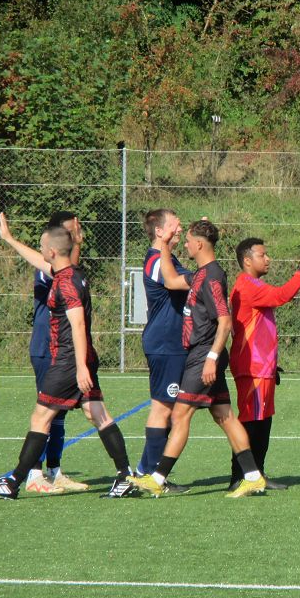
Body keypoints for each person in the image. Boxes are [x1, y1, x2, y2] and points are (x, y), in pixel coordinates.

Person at [0, 216, 137, 499]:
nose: (40, 250)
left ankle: (14, 481)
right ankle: (126, 475)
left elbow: (77, 324)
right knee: (97, 413)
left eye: (42, 246)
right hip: (77, 358)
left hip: (68, 361)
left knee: (41, 417)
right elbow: (37, 260)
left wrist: (80, 367)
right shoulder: (69, 273)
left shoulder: (66, 283)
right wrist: (9, 239)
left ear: (52, 251)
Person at [135, 219, 268, 499]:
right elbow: (170, 279)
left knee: (180, 414)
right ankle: (253, 477)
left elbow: (225, 321)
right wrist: (165, 244)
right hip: (202, 354)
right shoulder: (200, 274)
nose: (185, 245)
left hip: (204, 355)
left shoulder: (212, 277)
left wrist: (211, 358)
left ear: (198, 244)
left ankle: (157, 478)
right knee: (224, 416)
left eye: (187, 241)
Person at [226, 237, 300, 491]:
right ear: (247, 260)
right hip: (252, 367)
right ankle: (239, 477)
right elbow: (282, 295)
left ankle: (257, 475)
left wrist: (271, 363)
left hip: (261, 366)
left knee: (262, 421)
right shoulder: (248, 285)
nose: (268, 259)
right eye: (262, 255)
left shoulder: (252, 284)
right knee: (250, 422)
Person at [23, 212, 89, 493]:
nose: (74, 236)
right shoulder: (48, 266)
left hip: (62, 350)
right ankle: (33, 475)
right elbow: (64, 269)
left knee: (59, 413)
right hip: (45, 347)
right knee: (45, 413)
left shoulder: (69, 271)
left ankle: (54, 471)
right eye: (70, 232)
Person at [135, 208, 191, 495]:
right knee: (162, 407)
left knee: (170, 409)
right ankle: (151, 475)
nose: (179, 229)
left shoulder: (169, 257)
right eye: (175, 226)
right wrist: (205, 269)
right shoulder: (156, 260)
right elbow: (175, 282)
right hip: (165, 344)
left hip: (173, 344)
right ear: (159, 231)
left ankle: (146, 471)